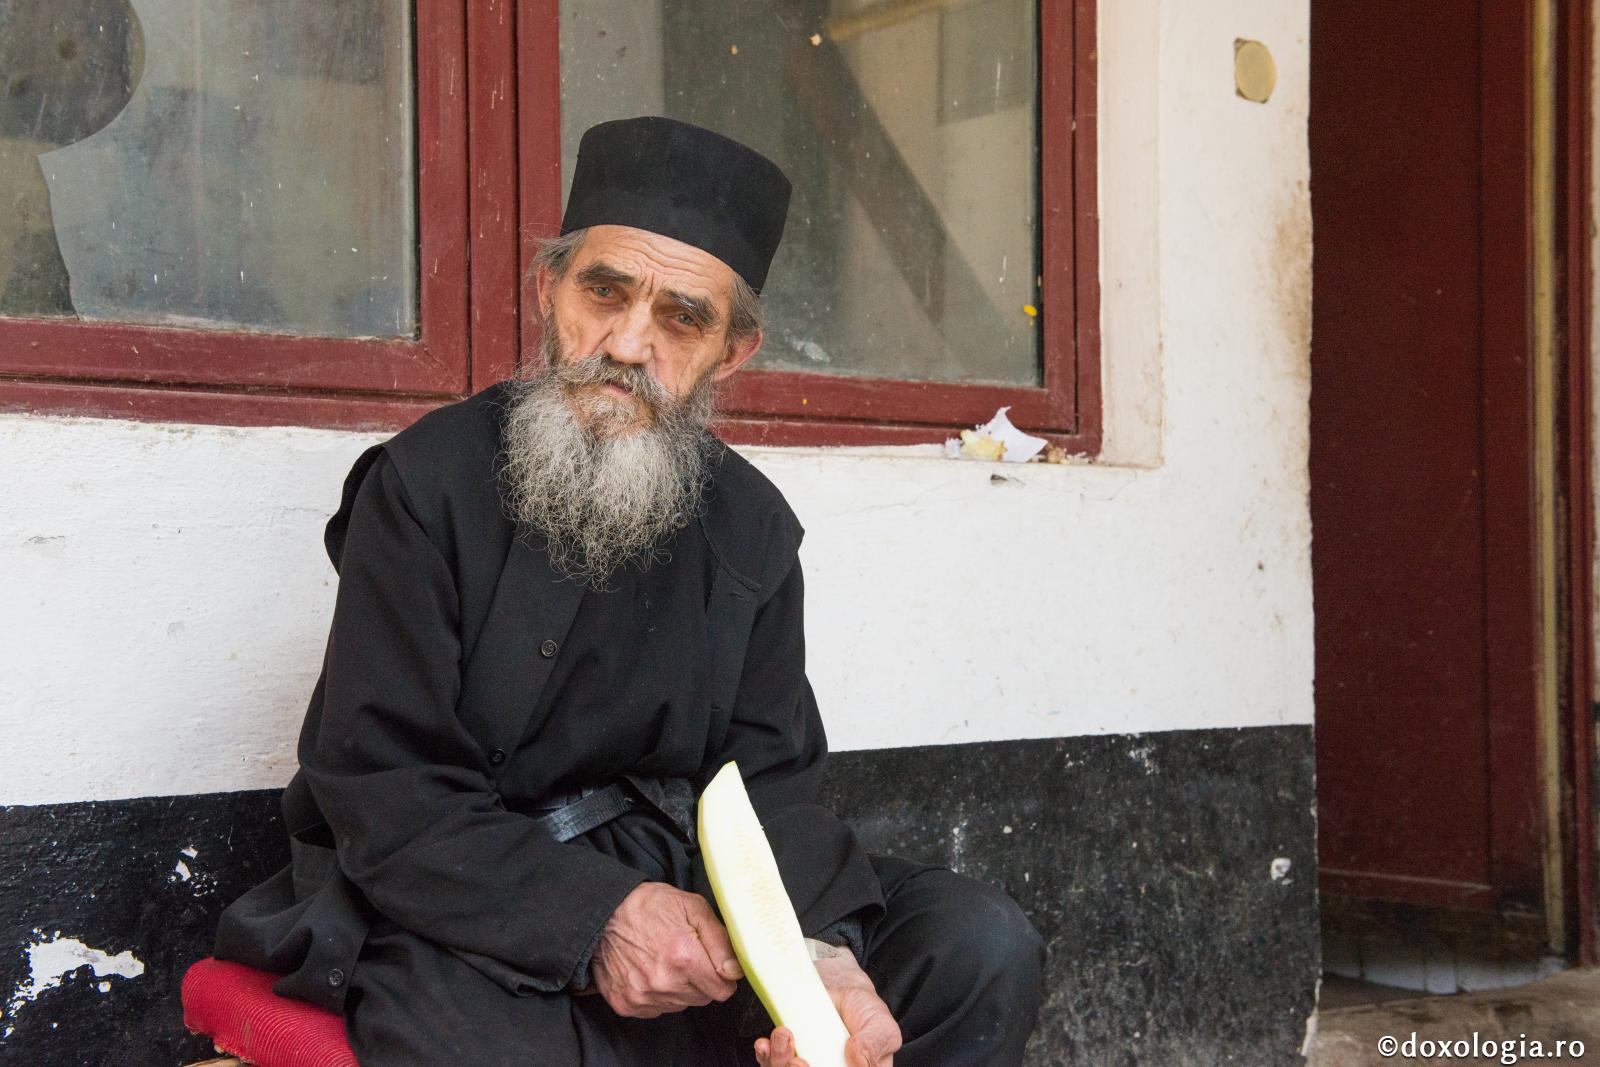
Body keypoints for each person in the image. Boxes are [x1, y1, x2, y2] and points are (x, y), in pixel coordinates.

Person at [214, 116, 1045, 1066]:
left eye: (682, 317)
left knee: (973, 947)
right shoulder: (424, 486)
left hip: (697, 893)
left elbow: (770, 779)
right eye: (604, 291)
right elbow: (384, 786)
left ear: (731, 350)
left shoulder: (753, 527)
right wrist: (597, 916)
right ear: (547, 290)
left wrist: (825, 955)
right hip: (473, 895)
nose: (627, 342)